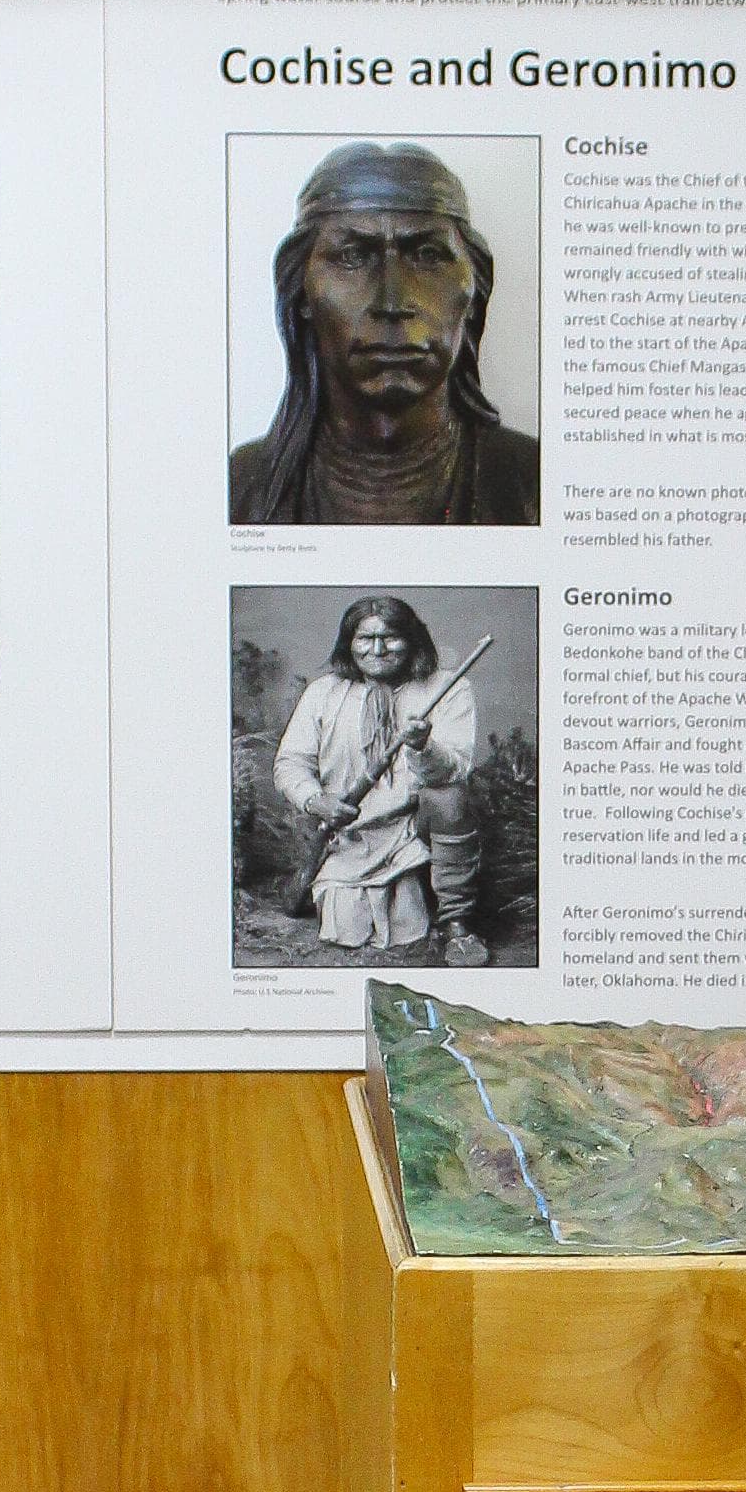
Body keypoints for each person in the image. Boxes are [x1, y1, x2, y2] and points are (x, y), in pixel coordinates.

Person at [229, 144, 542, 528]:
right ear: (301, 292)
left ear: (475, 290)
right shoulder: (238, 489)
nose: (392, 302)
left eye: (427, 255)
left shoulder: (537, 486)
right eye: (351, 256)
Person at [270, 595, 488, 959]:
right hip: (347, 832)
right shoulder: (324, 692)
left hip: (416, 826)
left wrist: (423, 746)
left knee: (448, 795)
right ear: (349, 643)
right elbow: (289, 763)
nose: (378, 649)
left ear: (412, 640)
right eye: (365, 639)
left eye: (390, 637)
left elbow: (454, 770)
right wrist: (318, 801)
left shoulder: (448, 688)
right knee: (348, 928)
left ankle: (456, 921)